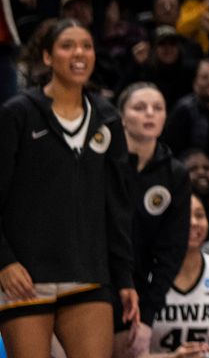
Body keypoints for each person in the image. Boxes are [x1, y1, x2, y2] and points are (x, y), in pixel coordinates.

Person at [0, 19, 137, 358]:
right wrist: (3, 262)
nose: (79, 53)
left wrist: (124, 277)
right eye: (67, 46)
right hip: (27, 278)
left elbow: (116, 206)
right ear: (47, 57)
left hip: (88, 274)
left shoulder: (107, 118)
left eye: (87, 46)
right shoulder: (17, 114)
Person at [121, 83, 193, 343]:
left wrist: (148, 317)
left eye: (157, 108)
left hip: (138, 295)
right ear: (122, 117)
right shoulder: (102, 163)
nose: (149, 113)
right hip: (93, 287)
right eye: (139, 108)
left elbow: (172, 251)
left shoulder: (175, 174)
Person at [146, 198, 209, 358]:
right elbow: (123, 353)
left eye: (200, 215)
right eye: (184, 215)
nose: (194, 222)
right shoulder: (143, 273)